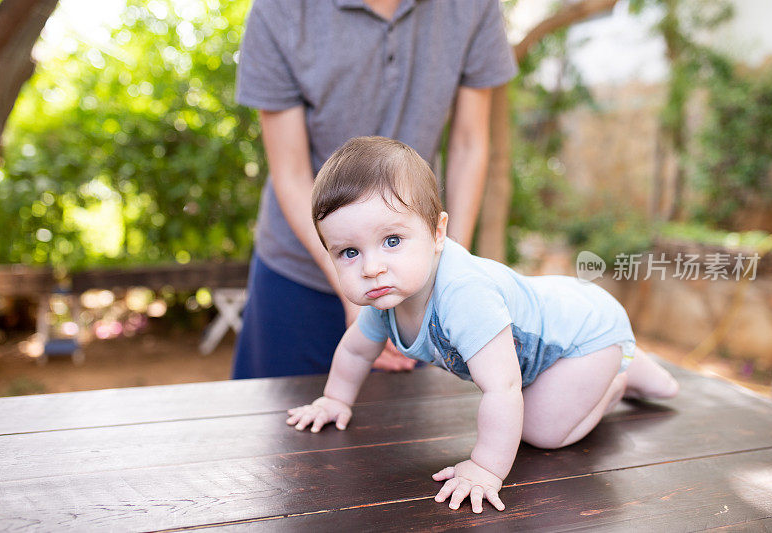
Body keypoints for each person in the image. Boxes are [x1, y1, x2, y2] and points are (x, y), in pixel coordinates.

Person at [286, 136, 681, 514]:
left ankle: (618, 373)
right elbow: (356, 349)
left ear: (437, 233)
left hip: (583, 336)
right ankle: (628, 361)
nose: (372, 268)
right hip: (562, 319)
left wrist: (486, 467)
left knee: (542, 430)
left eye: (392, 240)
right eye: (349, 252)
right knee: (663, 389)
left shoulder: (464, 295)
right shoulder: (387, 294)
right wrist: (334, 399)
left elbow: (503, 387)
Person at [232, 0, 517, 378]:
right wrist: (353, 279)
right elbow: (291, 173)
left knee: (405, 430)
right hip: (298, 274)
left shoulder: (473, 7)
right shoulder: (279, 11)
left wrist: (442, 273)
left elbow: (468, 143)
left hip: (411, 268)